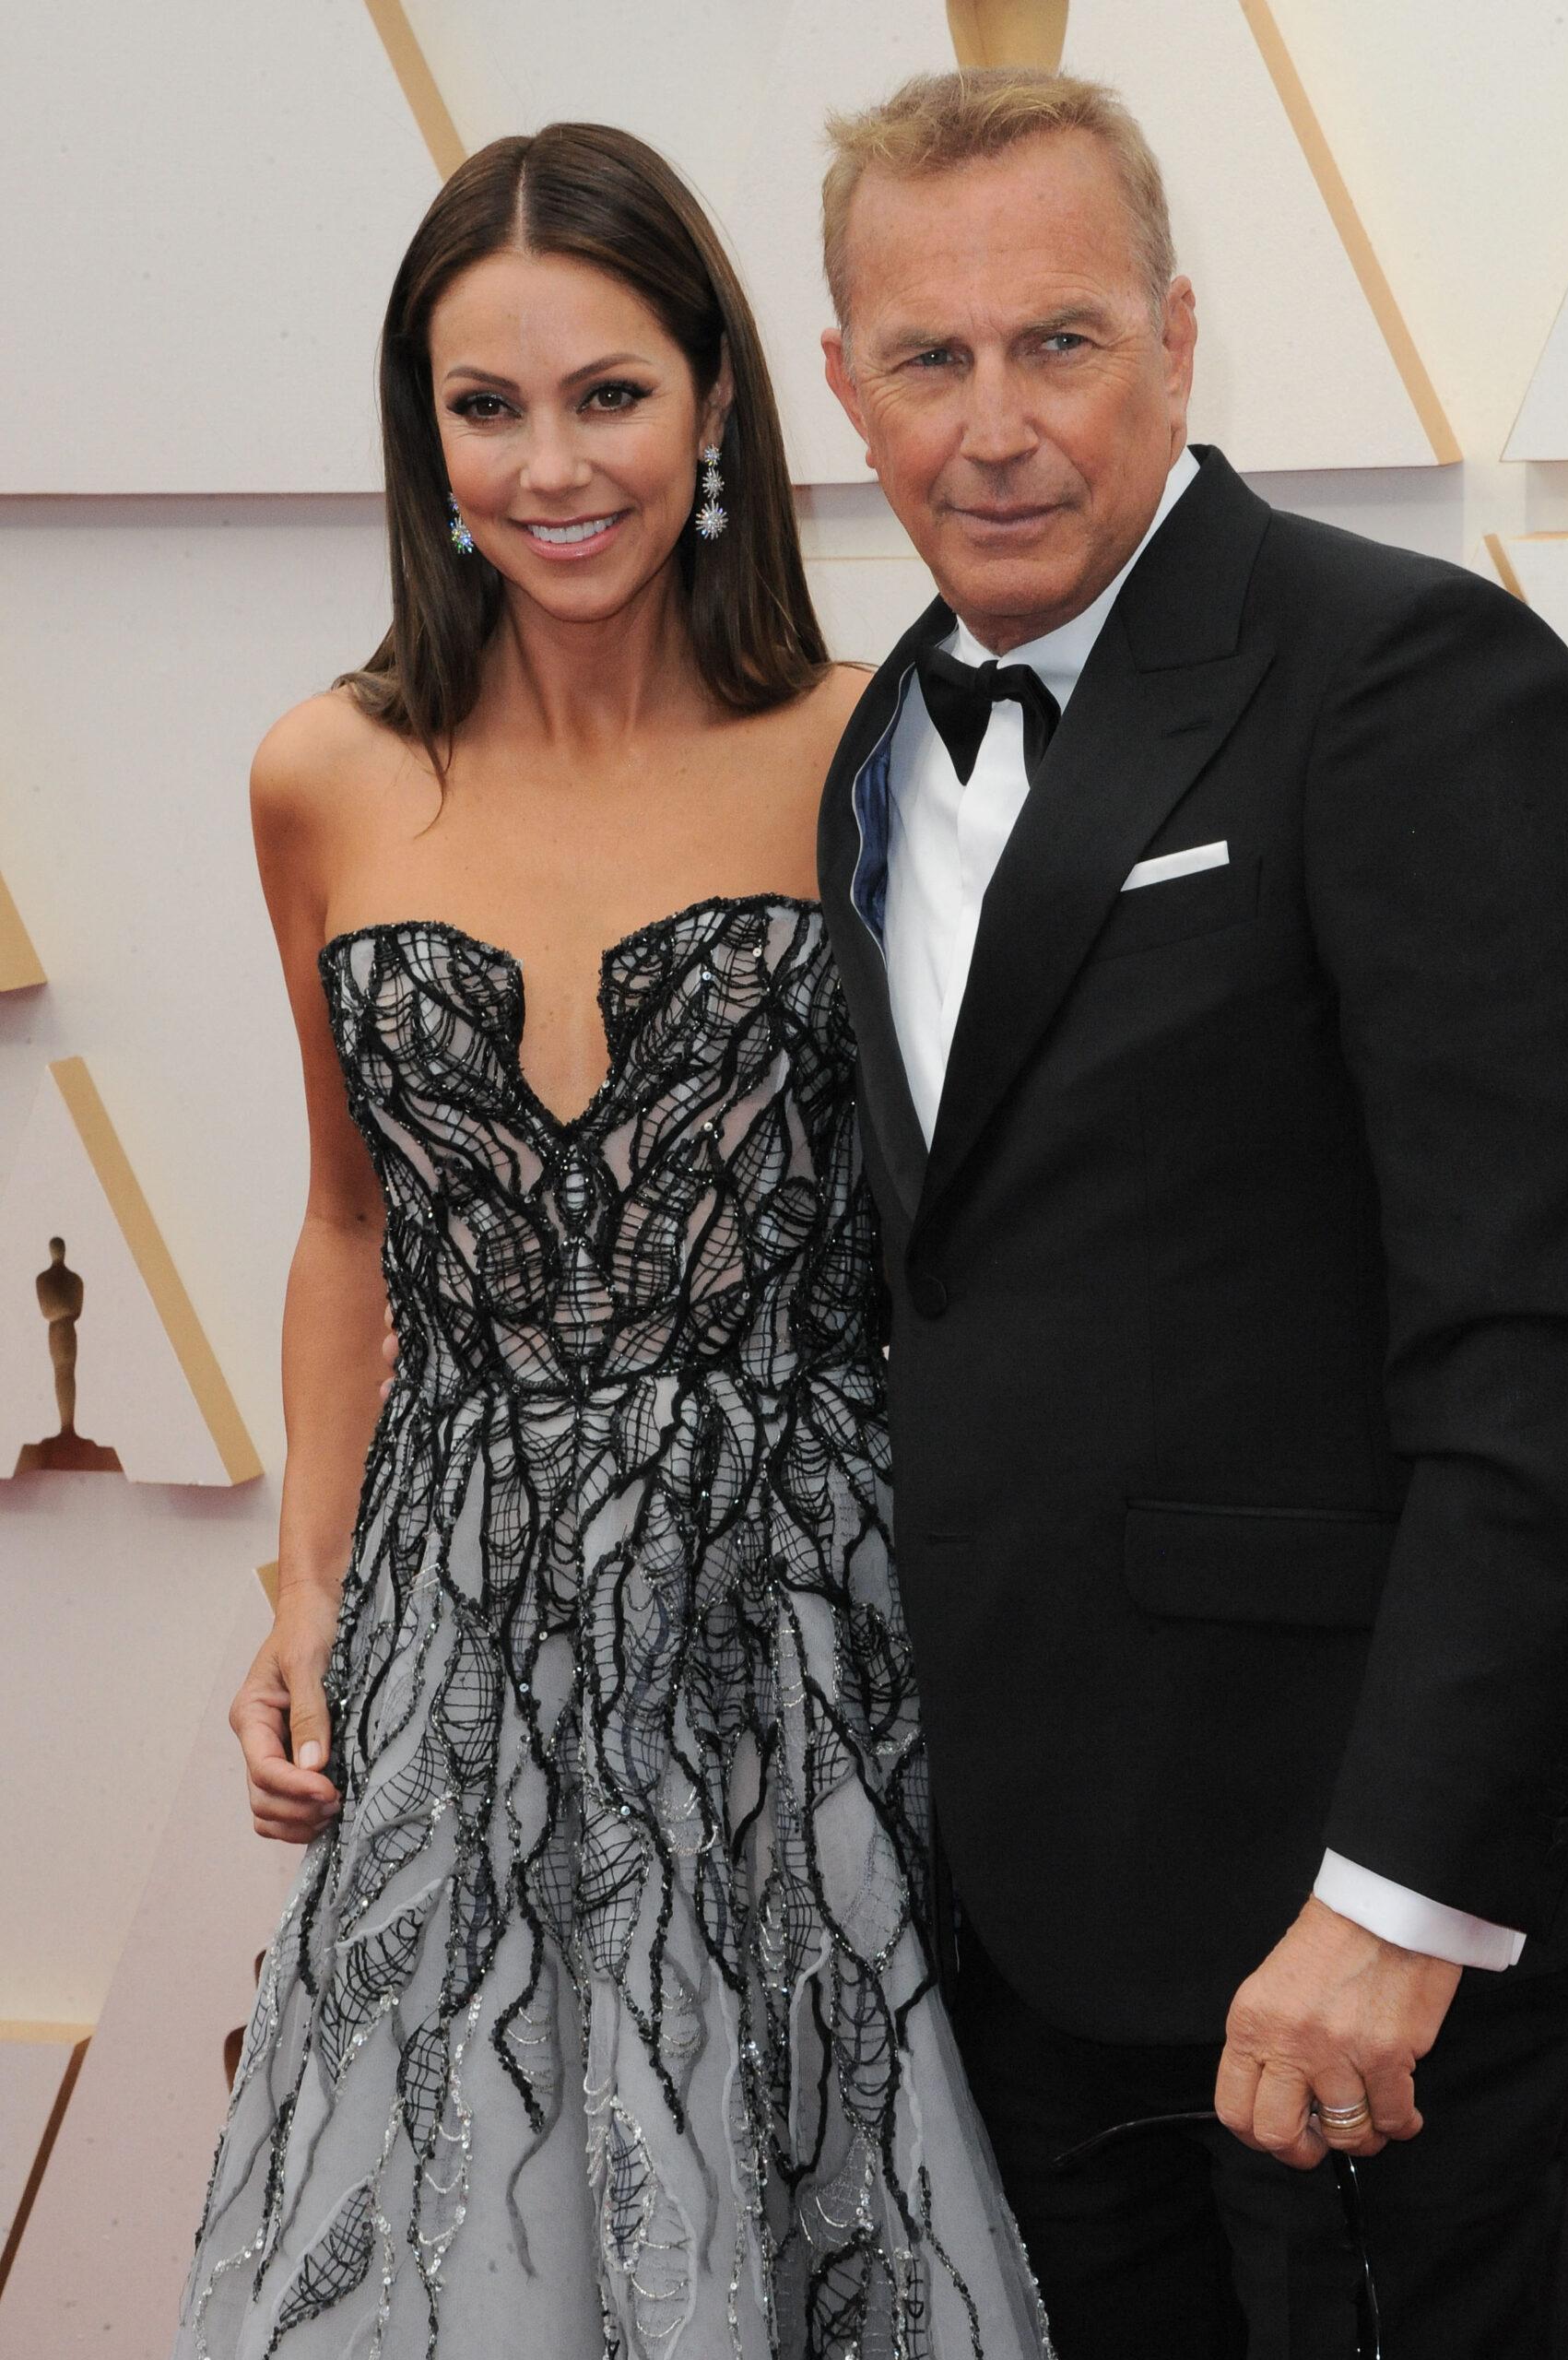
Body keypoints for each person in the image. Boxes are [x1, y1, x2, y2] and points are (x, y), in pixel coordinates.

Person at [810, 66, 1568, 2360]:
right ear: (840, 385)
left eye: (1057, 340)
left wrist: (1396, 1897)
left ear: (1177, 338)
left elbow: (1539, 1346)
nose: (991, 425)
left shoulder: (1407, 677)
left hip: (1350, 1924)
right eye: (929, 356)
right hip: (1025, 1916)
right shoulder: (877, 739)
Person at [178, 121, 1051, 2360]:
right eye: (487, 405)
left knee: (799, 2229)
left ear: (719, 402)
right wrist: (306, 1589)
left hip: (809, 1624)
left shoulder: (879, 754)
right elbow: (352, 1225)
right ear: (423, 430)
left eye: (608, 393)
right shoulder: (325, 777)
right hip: (457, 1630)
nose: (550, 464)